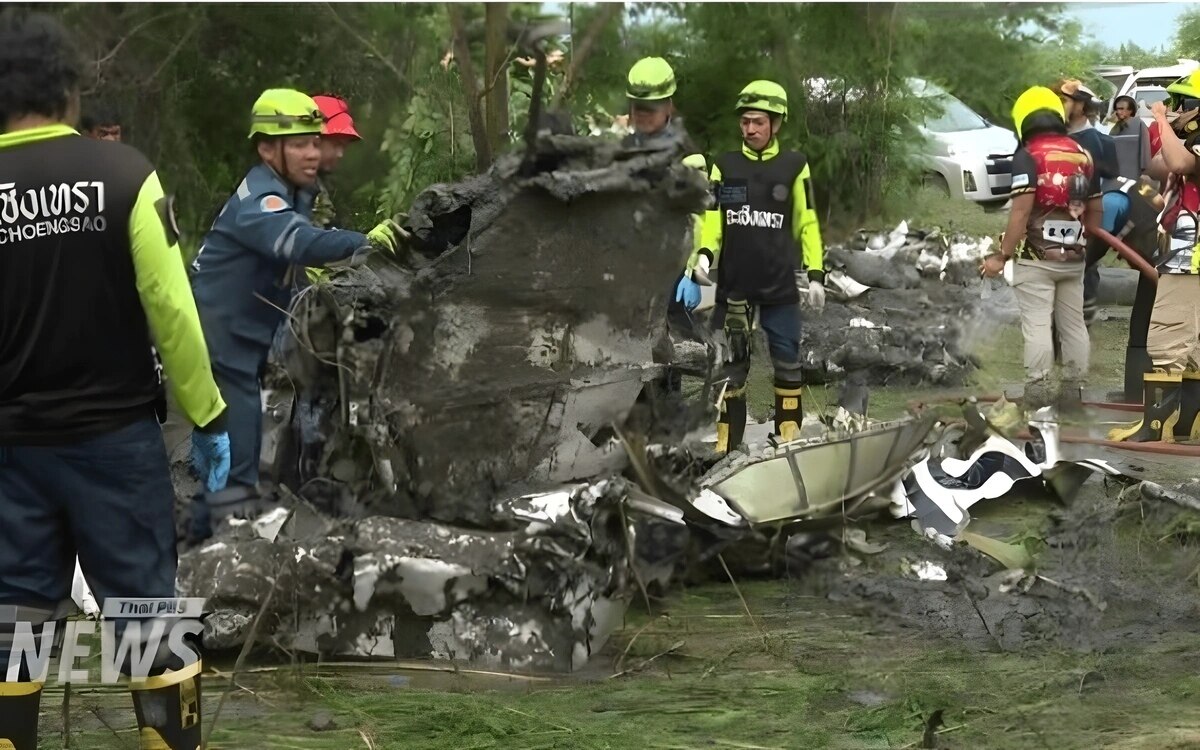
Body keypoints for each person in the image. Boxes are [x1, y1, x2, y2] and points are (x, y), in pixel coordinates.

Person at [0, 10, 229, 749]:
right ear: (67, 92)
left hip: (9, 451)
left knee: (14, 621)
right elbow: (173, 309)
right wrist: (209, 415)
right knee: (148, 614)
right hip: (115, 445)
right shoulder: (122, 173)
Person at [190, 88, 403, 492]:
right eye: (302, 144)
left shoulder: (289, 189)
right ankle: (229, 526)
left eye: (316, 143)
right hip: (223, 331)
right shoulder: (260, 199)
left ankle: (235, 487)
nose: (315, 153)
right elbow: (300, 242)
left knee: (239, 426)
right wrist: (366, 242)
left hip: (242, 321)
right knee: (242, 447)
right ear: (268, 150)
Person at [698, 80, 826, 453]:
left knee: (787, 363)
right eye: (745, 122)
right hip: (735, 286)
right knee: (731, 368)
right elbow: (713, 219)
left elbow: (809, 221)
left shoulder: (794, 165)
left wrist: (816, 273)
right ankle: (727, 444)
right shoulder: (725, 165)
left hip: (779, 286)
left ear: (776, 123)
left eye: (758, 122)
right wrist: (704, 255)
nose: (750, 129)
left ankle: (788, 437)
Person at [981, 86, 1101, 410]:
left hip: (1034, 258)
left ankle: (1037, 393)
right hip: (1074, 256)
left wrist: (1000, 255)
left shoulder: (1027, 155)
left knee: (1036, 325)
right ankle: (1073, 392)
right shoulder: (1083, 154)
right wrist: (1083, 239)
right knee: (1073, 325)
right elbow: (1096, 210)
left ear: (1024, 119)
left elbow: (1020, 212)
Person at [1110, 71, 1200, 442]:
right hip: (1186, 252)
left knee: (1167, 337)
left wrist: (1162, 119)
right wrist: (1173, 131)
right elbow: (1158, 167)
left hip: (1189, 256)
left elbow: (1179, 165)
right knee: (1194, 344)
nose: (1176, 110)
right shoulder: (1188, 140)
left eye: (1182, 104)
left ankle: (1154, 425)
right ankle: (1186, 422)